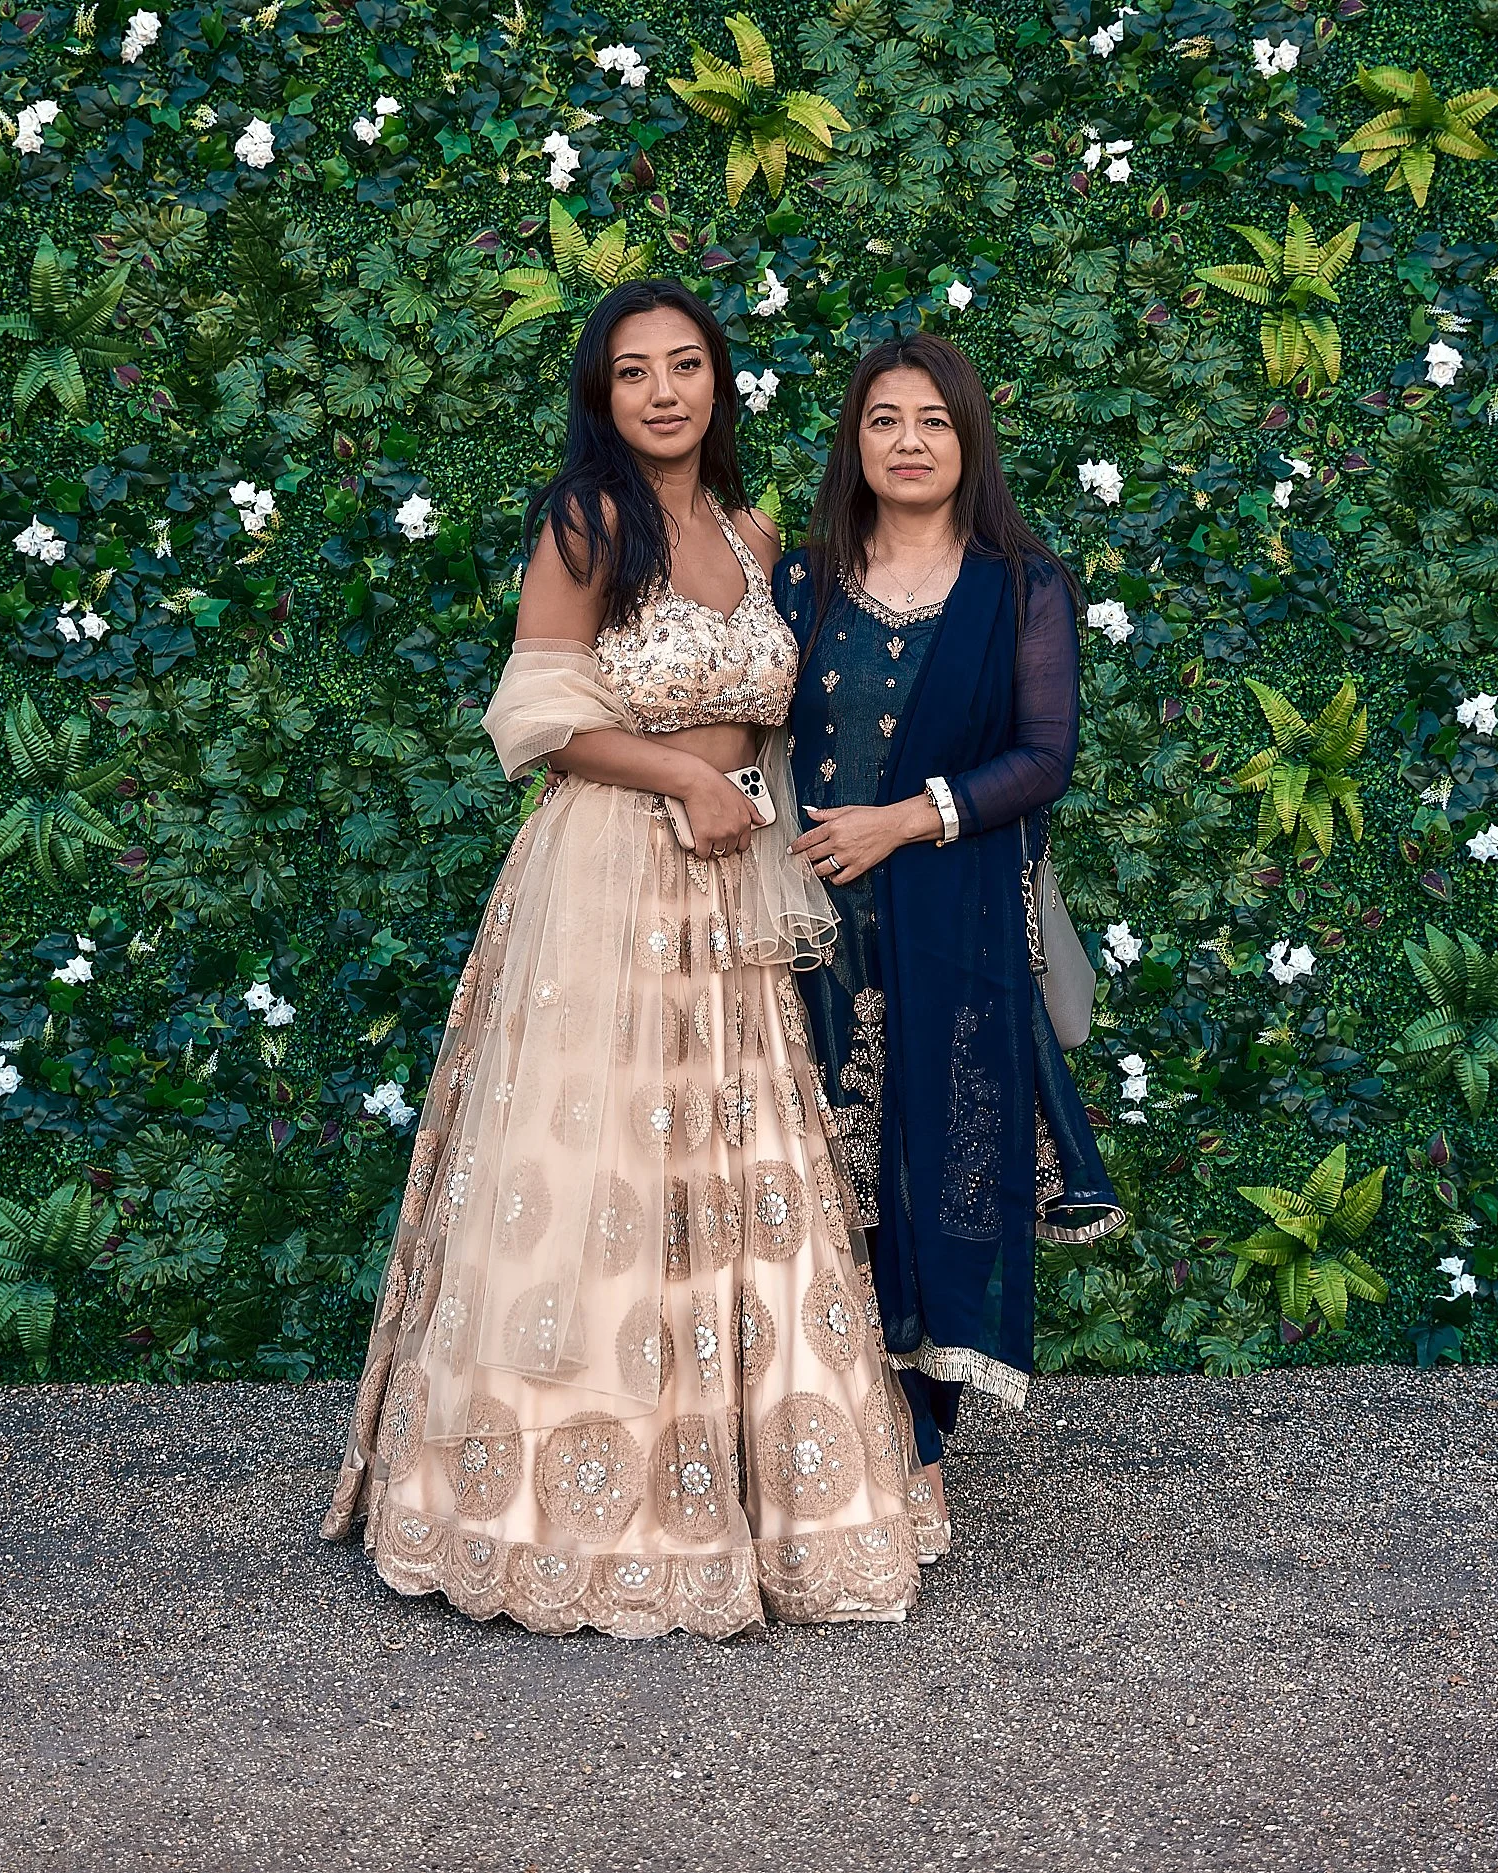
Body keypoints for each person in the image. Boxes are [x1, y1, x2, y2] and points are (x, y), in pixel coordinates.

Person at [322, 281, 922, 1637]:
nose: (663, 391)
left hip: (731, 886)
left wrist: (776, 795)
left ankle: (762, 1507)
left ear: (720, 383)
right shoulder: (590, 522)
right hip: (608, 872)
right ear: (603, 396)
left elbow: (779, 706)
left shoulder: (749, 528)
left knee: (733, 1160)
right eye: (634, 372)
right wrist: (678, 779)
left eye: (687, 366)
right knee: (596, 1166)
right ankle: (559, 1519)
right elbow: (535, 705)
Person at [776, 334, 1127, 1558]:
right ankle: (839, 1443)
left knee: (937, 1177)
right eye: (883, 420)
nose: (909, 440)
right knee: (825, 1187)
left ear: (967, 438)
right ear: (853, 442)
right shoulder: (800, 580)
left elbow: (1042, 758)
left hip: (957, 929)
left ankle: (920, 1448)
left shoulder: (1020, 584)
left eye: (933, 419)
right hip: (811, 934)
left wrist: (904, 819)